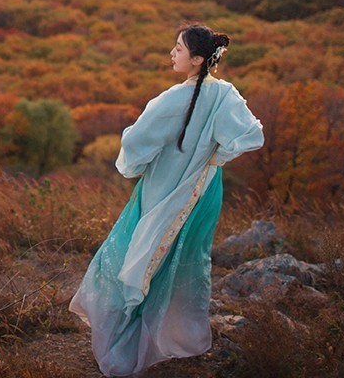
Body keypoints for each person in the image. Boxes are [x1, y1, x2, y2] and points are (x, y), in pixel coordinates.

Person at [70, 23, 265, 376]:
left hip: (162, 192)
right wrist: (215, 156)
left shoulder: (169, 101)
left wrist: (139, 161)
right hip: (202, 192)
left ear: (197, 59)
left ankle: (128, 335)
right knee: (182, 259)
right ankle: (171, 333)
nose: (172, 54)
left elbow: (132, 147)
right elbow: (252, 135)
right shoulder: (226, 95)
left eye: (178, 49)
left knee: (139, 255)